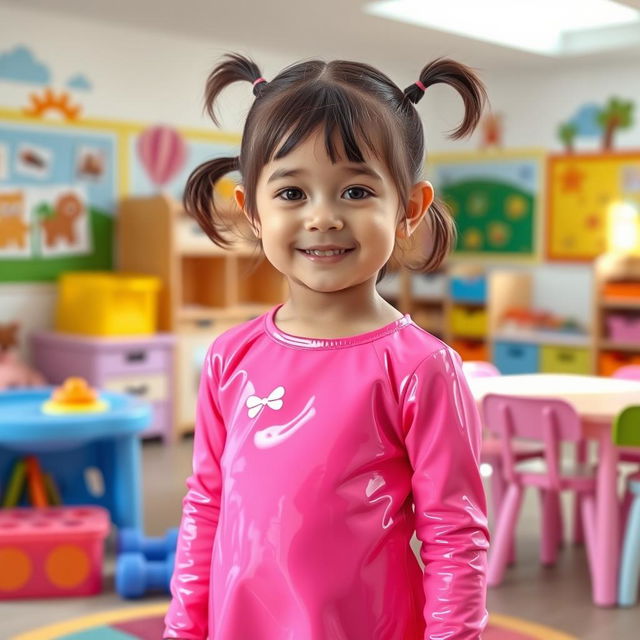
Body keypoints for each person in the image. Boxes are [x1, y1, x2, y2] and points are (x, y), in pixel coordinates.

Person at [164, 53, 490, 640]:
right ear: (251, 211)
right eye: (291, 193)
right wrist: (183, 629)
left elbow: (455, 534)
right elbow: (206, 507)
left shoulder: (420, 368)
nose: (323, 217)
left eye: (357, 190)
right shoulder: (228, 358)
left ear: (409, 209)